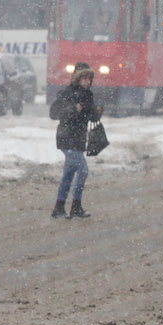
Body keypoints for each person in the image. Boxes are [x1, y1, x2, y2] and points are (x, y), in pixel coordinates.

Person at [49, 63, 102, 219]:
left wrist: (98, 111)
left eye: (89, 78)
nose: (87, 81)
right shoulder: (67, 93)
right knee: (83, 170)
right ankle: (76, 206)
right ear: (78, 78)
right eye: (84, 78)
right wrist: (73, 109)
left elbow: (91, 117)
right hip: (66, 138)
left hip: (79, 140)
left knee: (69, 173)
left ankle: (59, 207)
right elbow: (54, 113)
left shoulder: (88, 95)